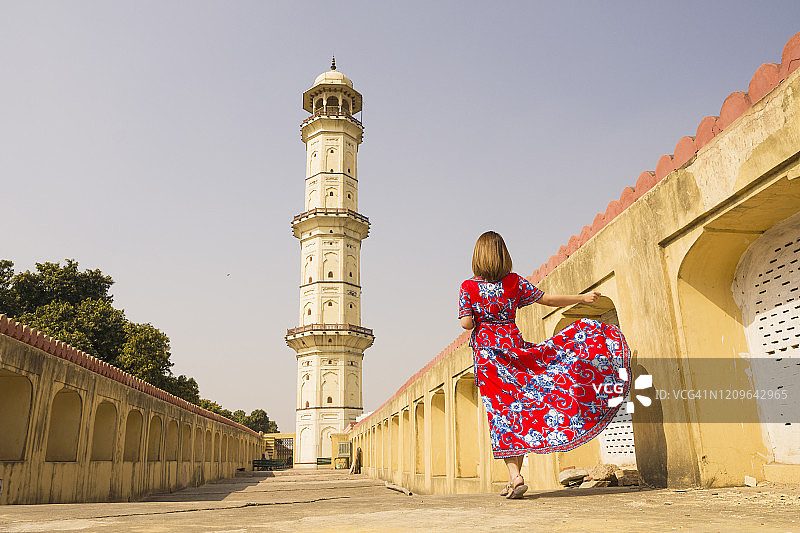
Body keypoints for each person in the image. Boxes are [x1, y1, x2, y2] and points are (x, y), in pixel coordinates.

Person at [458, 231, 631, 499]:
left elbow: (466, 324)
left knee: (502, 414)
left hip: (488, 356)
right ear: (503, 255)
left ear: (477, 257)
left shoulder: (468, 287)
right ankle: (512, 478)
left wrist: (477, 316)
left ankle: (515, 476)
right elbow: (547, 300)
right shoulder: (513, 283)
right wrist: (581, 298)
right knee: (520, 410)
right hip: (514, 350)